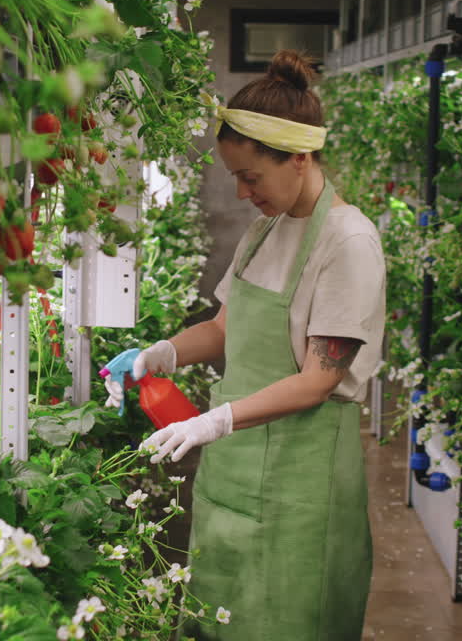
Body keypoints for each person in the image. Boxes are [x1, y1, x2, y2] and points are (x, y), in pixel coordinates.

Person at [104, 50, 386, 640]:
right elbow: (225, 328)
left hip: (300, 484)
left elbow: (318, 379)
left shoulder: (347, 242)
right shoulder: (265, 231)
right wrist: (165, 353)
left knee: (286, 620)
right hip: (235, 473)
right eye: (235, 176)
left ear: (300, 158)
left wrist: (216, 421)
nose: (240, 193)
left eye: (250, 176)